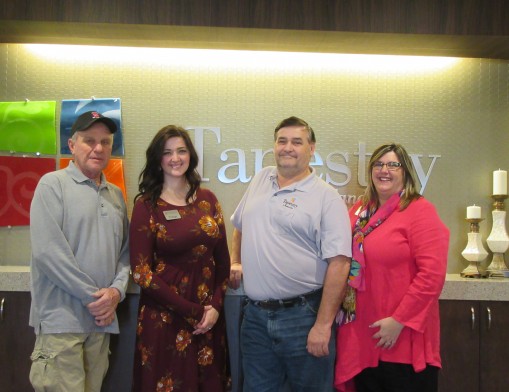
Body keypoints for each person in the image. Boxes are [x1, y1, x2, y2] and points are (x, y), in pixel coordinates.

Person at [229, 116, 352, 392]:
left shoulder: (326, 197)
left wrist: (323, 325)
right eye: (282, 141)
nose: (288, 147)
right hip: (256, 319)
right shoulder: (261, 179)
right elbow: (239, 226)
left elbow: (340, 264)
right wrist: (236, 261)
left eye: (297, 142)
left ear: (312, 149)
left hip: (304, 317)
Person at [334, 143, 449, 392]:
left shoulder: (419, 210)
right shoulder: (359, 212)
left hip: (401, 340)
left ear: (405, 172)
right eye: (378, 164)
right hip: (362, 338)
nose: (384, 170)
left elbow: (432, 275)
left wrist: (400, 320)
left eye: (393, 165)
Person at [29, 111, 130, 392]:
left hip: (100, 324)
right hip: (61, 324)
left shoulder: (116, 196)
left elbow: (125, 254)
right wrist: (96, 298)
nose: (98, 148)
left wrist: (116, 293)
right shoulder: (52, 185)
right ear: (72, 146)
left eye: (105, 142)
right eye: (89, 141)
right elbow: (49, 253)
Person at [130, 125, 230, 391]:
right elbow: (140, 272)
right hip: (164, 318)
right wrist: (193, 312)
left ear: (190, 155)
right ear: (158, 159)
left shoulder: (208, 199)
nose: (175, 158)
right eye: (167, 152)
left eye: (181, 150)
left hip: (208, 319)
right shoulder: (146, 205)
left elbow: (223, 261)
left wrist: (215, 308)